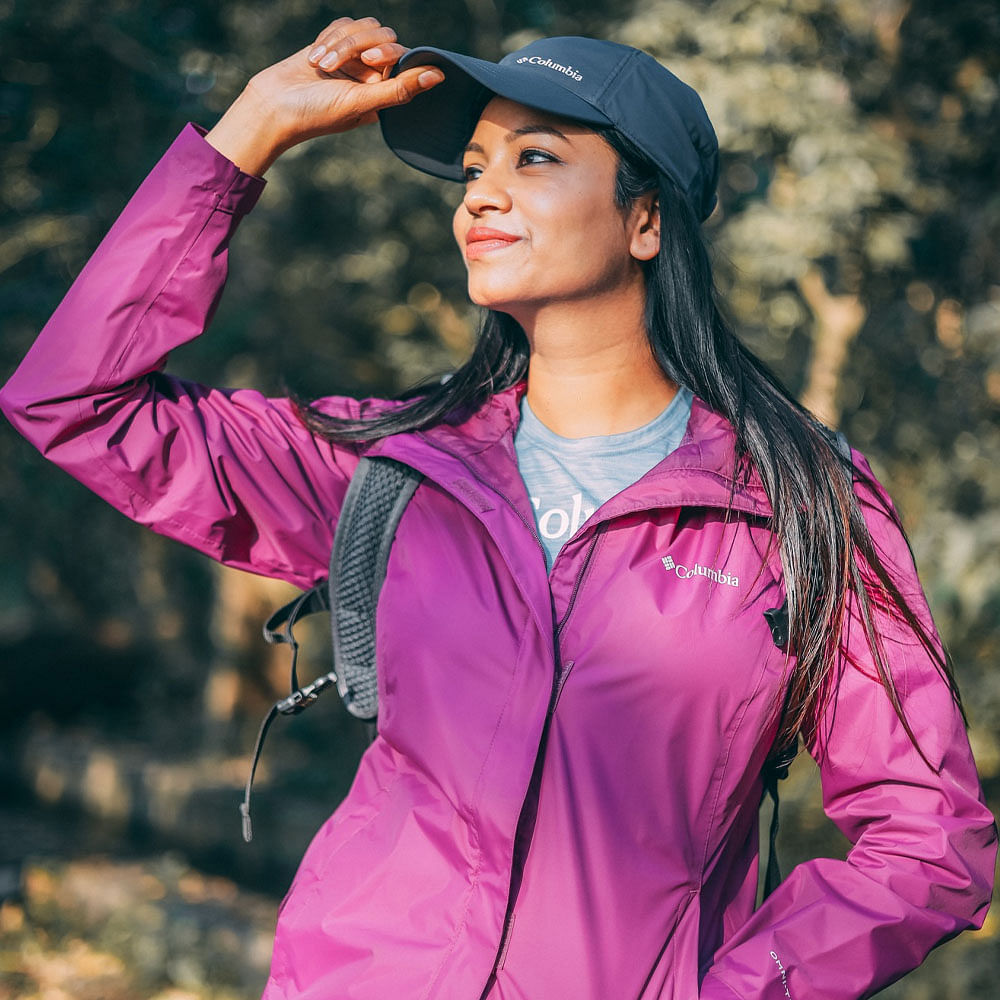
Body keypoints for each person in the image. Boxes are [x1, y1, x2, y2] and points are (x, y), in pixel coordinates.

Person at [1, 15, 995, 1000]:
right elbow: (74, 401)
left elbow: (930, 837)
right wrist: (249, 131)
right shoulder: (393, 467)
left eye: (533, 159)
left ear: (645, 220)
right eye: (474, 168)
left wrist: (737, 991)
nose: (481, 196)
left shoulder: (802, 508)